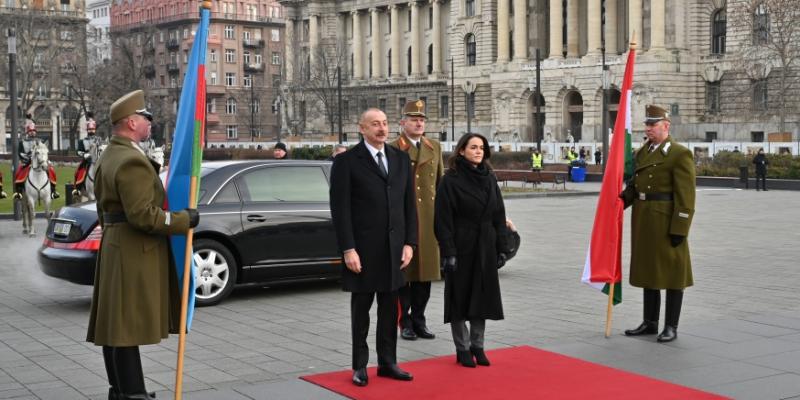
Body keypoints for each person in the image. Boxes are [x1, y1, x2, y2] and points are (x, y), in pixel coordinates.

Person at [86, 90, 200, 399]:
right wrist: (182, 220)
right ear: (131, 122)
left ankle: (121, 391)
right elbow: (142, 216)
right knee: (125, 330)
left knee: (115, 329)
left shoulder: (110, 154)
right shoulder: (131, 161)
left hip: (116, 246)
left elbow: (103, 208)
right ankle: (133, 393)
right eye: (146, 118)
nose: (150, 123)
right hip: (133, 250)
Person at [329, 108, 417, 387]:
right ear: (362, 128)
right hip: (363, 251)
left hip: (394, 250)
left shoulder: (400, 159)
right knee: (362, 311)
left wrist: (410, 243)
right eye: (375, 124)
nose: (381, 128)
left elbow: (409, 206)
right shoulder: (347, 162)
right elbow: (340, 210)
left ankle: (388, 363)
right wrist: (348, 249)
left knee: (390, 311)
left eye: (384, 123)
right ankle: (360, 366)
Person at [434, 133, 511, 368]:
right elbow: (442, 220)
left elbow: (499, 214)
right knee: (459, 298)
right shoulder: (451, 180)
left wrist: (502, 246)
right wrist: (449, 252)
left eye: (482, 148)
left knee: (482, 296)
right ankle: (463, 347)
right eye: (473, 147)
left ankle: (478, 345)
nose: (478, 151)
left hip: (485, 245)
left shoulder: (489, 177)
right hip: (461, 245)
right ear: (461, 151)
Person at [621, 104, 695, 343]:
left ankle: (671, 326)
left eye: (653, 125)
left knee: (673, 274)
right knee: (648, 272)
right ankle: (650, 322)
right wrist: (620, 202)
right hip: (644, 219)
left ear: (666, 126)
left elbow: (686, 197)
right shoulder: (642, 152)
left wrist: (680, 228)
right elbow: (634, 186)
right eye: (647, 125)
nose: (649, 129)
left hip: (666, 221)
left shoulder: (679, 153)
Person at [390, 99, 444, 341]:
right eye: (414, 120)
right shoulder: (393, 148)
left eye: (422, 120)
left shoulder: (434, 147)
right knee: (406, 276)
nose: (419, 123)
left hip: (430, 221)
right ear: (403, 123)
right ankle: (405, 322)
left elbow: (440, 184)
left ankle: (420, 319)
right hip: (405, 221)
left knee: (426, 275)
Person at [13, 113, 60, 199]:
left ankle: (53, 190)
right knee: (19, 172)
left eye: (33, 131)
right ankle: (18, 192)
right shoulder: (22, 142)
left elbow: (44, 152)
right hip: (27, 162)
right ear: (27, 132)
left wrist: (45, 159)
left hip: (40, 162)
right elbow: (20, 153)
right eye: (30, 131)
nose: (32, 133)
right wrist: (27, 158)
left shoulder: (40, 141)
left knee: (51, 170)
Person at [73, 111, 100, 197]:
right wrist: (84, 155)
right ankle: (77, 189)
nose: (91, 131)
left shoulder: (98, 140)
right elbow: (78, 151)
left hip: (98, 160)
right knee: (78, 171)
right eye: (90, 129)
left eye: (92, 129)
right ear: (87, 130)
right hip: (87, 161)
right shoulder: (82, 141)